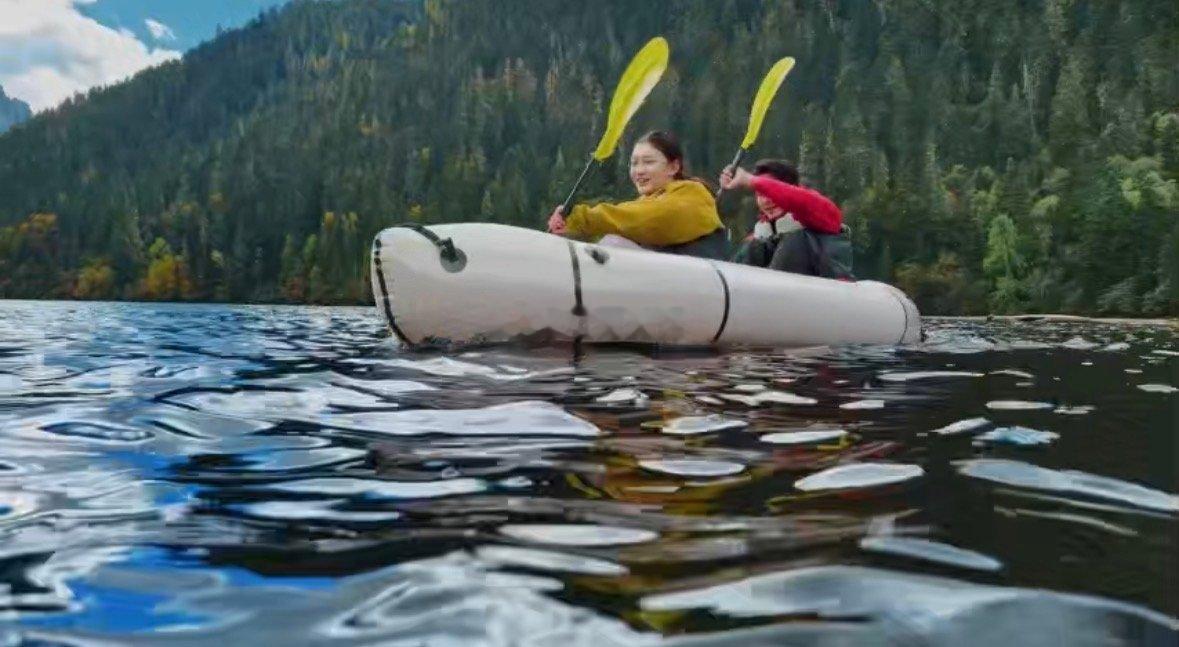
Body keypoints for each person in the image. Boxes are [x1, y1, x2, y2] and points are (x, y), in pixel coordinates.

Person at [547, 131, 728, 260]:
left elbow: (649, 218)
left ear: (674, 167)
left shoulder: (694, 195)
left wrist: (580, 217)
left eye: (648, 162)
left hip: (698, 288)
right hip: (663, 290)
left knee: (614, 245)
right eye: (634, 164)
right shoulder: (645, 203)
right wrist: (567, 227)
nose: (639, 171)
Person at [719, 160, 854, 280]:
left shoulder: (823, 217)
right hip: (772, 301)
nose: (766, 201)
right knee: (752, 247)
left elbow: (800, 200)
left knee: (795, 240)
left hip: (826, 300)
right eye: (760, 195)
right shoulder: (757, 240)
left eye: (769, 193)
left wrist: (751, 181)